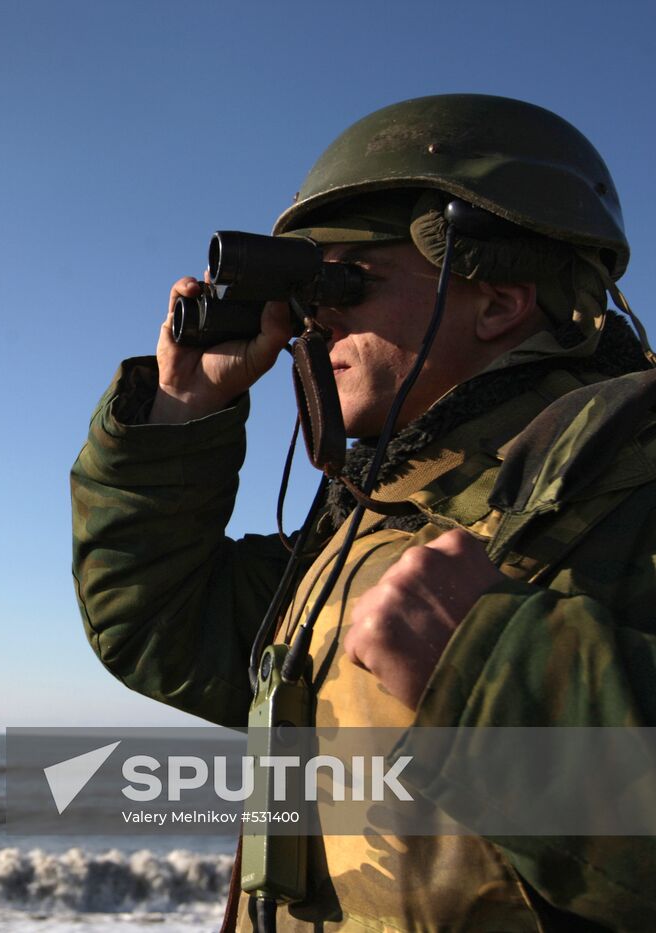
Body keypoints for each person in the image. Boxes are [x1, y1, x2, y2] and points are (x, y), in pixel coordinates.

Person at [71, 94, 656, 931]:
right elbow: (162, 625)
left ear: (499, 300)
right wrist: (179, 414)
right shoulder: (367, 526)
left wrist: (497, 673)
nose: (316, 316)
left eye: (351, 279)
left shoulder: (628, 494)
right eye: (310, 286)